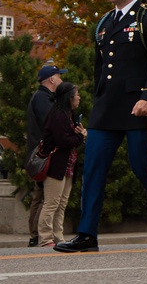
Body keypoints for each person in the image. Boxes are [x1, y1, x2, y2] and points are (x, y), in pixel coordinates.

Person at [57, 0, 147, 253]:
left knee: (143, 165)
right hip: (107, 109)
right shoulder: (104, 22)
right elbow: (100, 67)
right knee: (93, 170)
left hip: (138, 105)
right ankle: (87, 234)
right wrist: (99, 97)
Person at [37, 82, 86, 247]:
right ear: (69, 97)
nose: (79, 97)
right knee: (51, 203)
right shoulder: (58, 115)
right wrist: (80, 137)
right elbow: (63, 141)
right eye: (77, 94)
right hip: (56, 165)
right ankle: (45, 238)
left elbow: (70, 137)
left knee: (62, 203)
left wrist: (81, 133)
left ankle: (59, 237)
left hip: (68, 166)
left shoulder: (69, 114)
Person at [25, 65, 66, 247]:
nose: (61, 80)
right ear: (51, 79)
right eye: (59, 77)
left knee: (41, 195)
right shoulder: (43, 98)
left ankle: (36, 235)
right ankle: (37, 235)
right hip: (43, 154)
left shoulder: (43, 97)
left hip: (41, 152)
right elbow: (50, 123)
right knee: (43, 196)